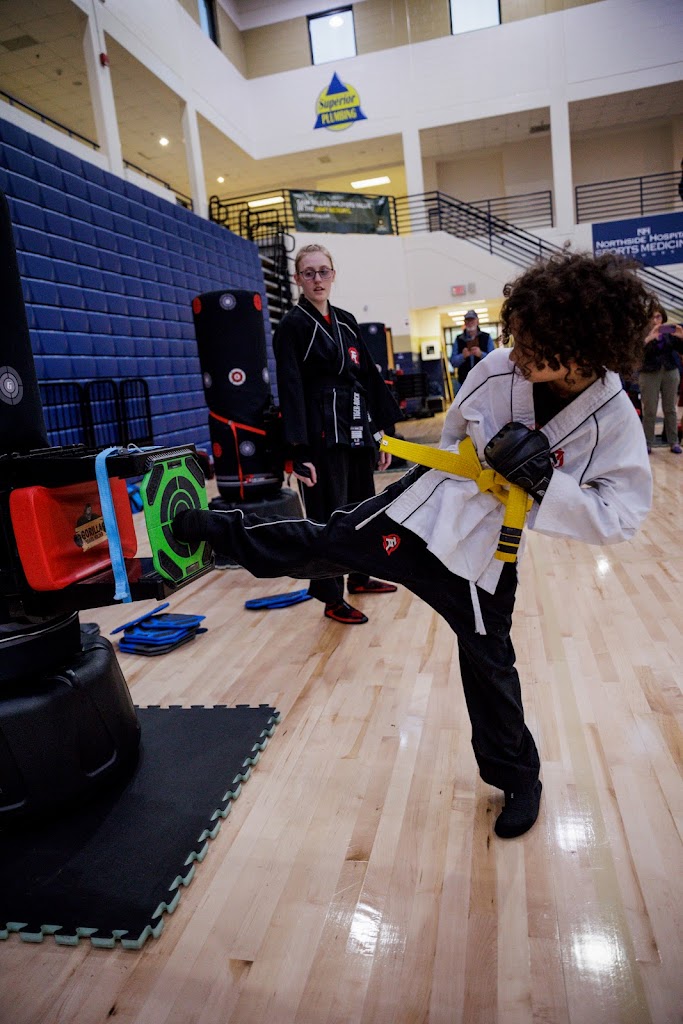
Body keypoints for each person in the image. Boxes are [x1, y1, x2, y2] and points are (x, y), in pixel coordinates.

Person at [173, 251, 655, 839]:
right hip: (427, 509)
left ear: (578, 349)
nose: (516, 352)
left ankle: (519, 780)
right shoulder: (497, 368)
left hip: (487, 551)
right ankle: (218, 532)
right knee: (326, 543)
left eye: (533, 345)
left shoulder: (612, 416)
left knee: (489, 661)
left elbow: (620, 516)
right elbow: (453, 437)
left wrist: (544, 484)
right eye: (517, 337)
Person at [272, 242, 402, 624]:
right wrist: (298, 451)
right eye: (309, 273)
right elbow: (290, 388)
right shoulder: (291, 326)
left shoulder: (346, 320)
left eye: (323, 271)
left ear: (333, 274)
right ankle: (331, 597)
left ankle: (360, 575)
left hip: (356, 425)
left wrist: (384, 434)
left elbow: (369, 378)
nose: (317, 279)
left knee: (362, 505)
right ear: (297, 279)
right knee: (327, 516)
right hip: (319, 435)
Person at [638, 305, 683, 454]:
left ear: (663, 317)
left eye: (658, 316)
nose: (655, 320)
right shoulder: (643, 333)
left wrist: (681, 335)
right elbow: (637, 352)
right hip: (649, 372)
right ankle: (647, 442)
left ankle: (673, 441)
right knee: (649, 409)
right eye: (652, 317)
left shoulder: (669, 333)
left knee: (670, 408)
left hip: (670, 370)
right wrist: (650, 338)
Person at [449, 310, 494, 387]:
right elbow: (453, 362)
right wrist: (462, 356)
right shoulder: (458, 339)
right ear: (464, 323)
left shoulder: (486, 337)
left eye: (472, 320)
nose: (470, 323)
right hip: (464, 383)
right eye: (467, 320)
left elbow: (493, 360)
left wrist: (481, 354)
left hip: (484, 381)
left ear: (477, 321)